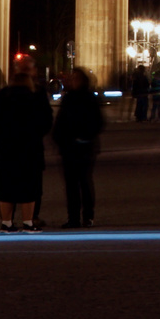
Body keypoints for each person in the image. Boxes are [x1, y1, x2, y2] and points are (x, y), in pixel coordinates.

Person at [0, 64, 52, 232]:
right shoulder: (35, 96)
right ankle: (28, 222)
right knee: (30, 186)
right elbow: (46, 121)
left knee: (6, 186)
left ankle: (6, 222)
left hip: (6, 148)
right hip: (30, 147)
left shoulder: (2, 95)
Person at [53, 67, 105, 228]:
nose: (72, 80)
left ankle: (88, 216)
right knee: (71, 185)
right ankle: (73, 217)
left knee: (84, 182)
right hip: (69, 147)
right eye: (72, 78)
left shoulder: (89, 98)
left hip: (84, 146)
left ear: (83, 80)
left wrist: (85, 137)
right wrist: (59, 139)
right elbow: (60, 123)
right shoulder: (68, 98)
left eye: (76, 78)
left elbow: (98, 122)